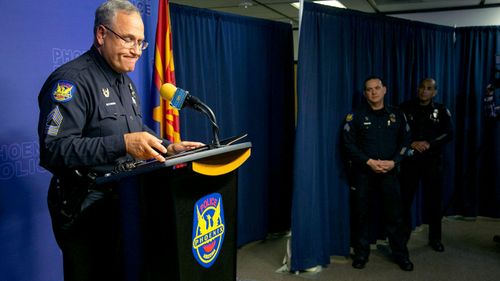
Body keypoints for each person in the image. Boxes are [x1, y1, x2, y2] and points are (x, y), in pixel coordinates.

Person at [37, 1, 203, 280]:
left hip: (124, 202)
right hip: (85, 210)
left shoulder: (125, 82)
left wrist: (167, 146)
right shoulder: (71, 81)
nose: (137, 50)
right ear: (102, 35)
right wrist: (123, 145)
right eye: (128, 39)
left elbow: (135, 129)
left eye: (141, 42)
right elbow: (54, 149)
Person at [343, 76, 413, 271]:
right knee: (361, 216)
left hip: (390, 173)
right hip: (364, 174)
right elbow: (348, 145)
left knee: (395, 217)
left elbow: (407, 142)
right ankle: (361, 254)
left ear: (385, 90)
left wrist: (394, 162)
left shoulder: (398, 115)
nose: (373, 92)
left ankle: (401, 254)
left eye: (377, 88)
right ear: (365, 94)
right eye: (369, 89)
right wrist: (369, 162)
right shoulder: (355, 116)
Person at [399, 78, 453, 253]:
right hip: (410, 161)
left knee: (434, 203)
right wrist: (412, 142)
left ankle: (435, 238)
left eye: (429, 88)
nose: (424, 91)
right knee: (404, 201)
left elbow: (448, 133)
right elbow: (397, 131)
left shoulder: (441, 110)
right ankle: (403, 237)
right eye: (422, 87)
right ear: (417, 89)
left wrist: (429, 143)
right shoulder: (405, 107)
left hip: (432, 161)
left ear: (435, 92)